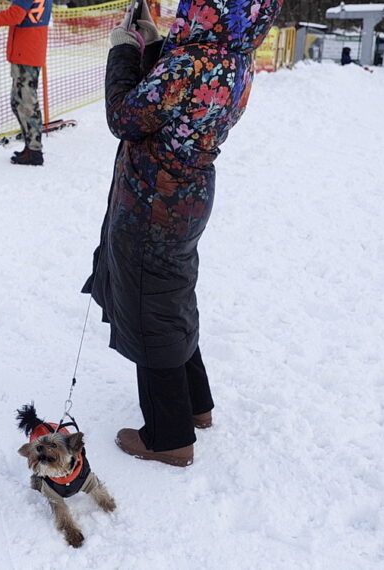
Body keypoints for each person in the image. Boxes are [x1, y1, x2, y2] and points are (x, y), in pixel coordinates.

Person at [82, 0, 282, 467]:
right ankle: (195, 403)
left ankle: (168, 437)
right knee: (171, 295)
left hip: (152, 200)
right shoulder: (233, 55)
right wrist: (153, 42)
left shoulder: (191, 62)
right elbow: (171, 98)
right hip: (186, 195)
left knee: (149, 305)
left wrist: (123, 52)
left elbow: (126, 118)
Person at [0, 0, 53, 166]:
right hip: (30, 49)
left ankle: (34, 150)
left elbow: (16, 15)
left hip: (26, 51)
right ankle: (31, 145)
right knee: (18, 102)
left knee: (25, 102)